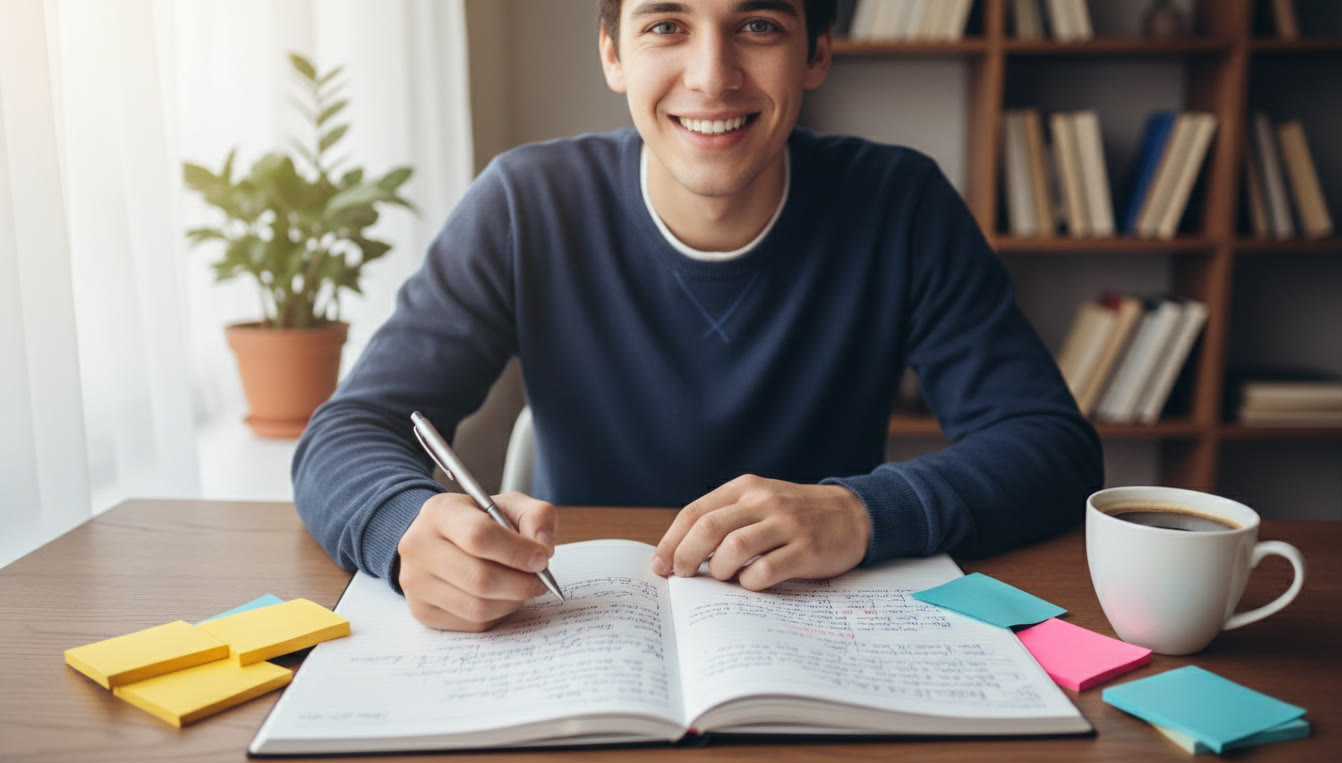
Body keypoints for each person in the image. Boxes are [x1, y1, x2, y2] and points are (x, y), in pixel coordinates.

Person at [292, 0, 1103, 632]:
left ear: (818, 50)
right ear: (613, 52)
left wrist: (861, 512)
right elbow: (346, 432)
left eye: (756, 24)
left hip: (823, 636)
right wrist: (407, 526)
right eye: (666, 25)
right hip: (581, 630)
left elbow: (1051, 447)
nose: (713, 76)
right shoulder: (526, 204)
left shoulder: (900, 204)